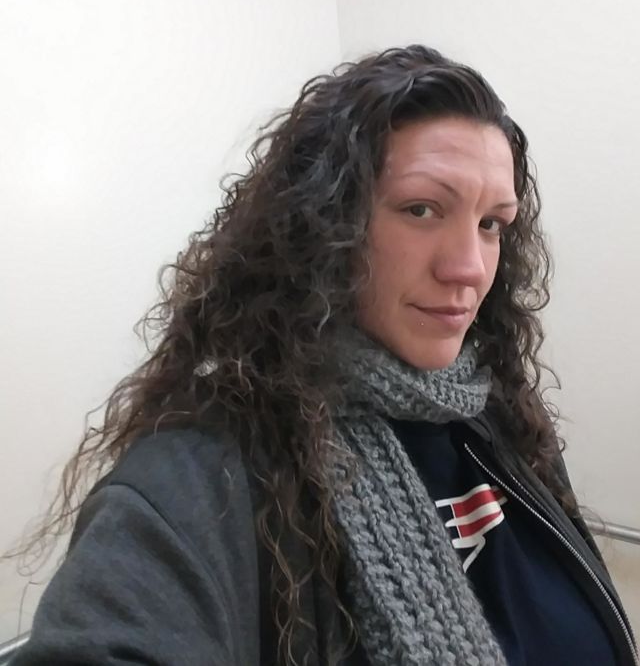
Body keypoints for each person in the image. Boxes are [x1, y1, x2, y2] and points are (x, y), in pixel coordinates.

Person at [11, 45, 636, 666]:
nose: (469, 268)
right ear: (323, 224)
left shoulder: (500, 416)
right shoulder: (201, 480)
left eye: (491, 223)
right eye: (421, 209)